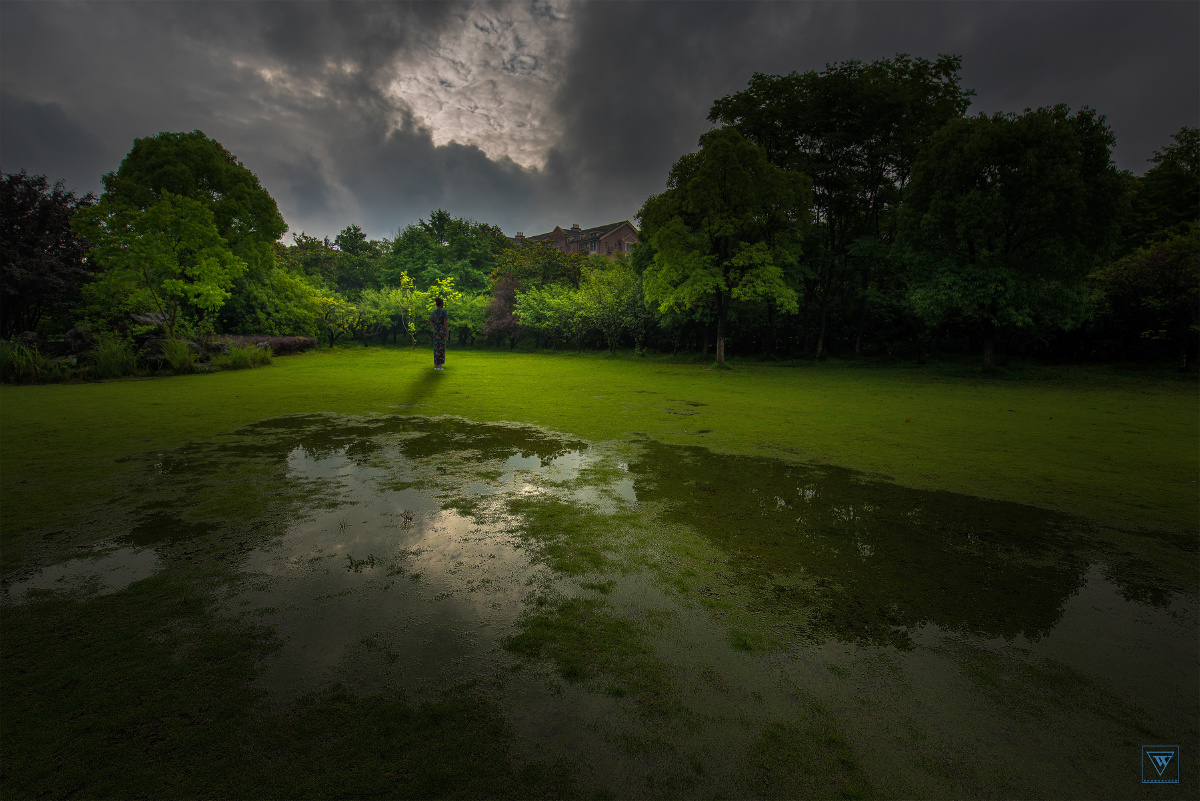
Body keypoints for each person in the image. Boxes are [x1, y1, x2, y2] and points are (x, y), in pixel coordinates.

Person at [430, 297, 449, 370]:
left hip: (435, 332)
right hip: (442, 332)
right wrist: (447, 331)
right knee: (441, 348)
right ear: (441, 304)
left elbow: (431, 324)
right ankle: (439, 365)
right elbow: (445, 322)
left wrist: (436, 327)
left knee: (436, 347)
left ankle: (436, 365)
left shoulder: (433, 313)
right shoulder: (444, 312)